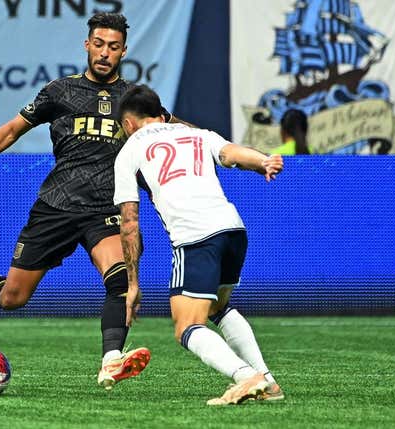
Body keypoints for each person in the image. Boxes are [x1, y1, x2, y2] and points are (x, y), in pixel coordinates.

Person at [0, 13, 190, 390]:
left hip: (106, 209)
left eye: (114, 46)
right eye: (99, 44)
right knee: (14, 298)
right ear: (87, 44)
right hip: (56, 206)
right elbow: (11, 130)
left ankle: (111, 361)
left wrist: (217, 146)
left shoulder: (134, 99)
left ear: (124, 51)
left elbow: (177, 128)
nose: (105, 53)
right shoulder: (59, 92)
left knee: (120, 279)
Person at [114, 85, 285, 405]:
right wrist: (263, 161)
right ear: (160, 114)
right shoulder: (196, 134)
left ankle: (246, 376)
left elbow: (130, 222)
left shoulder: (128, 152)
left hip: (195, 239)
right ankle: (268, 383)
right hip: (233, 230)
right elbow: (231, 153)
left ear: (128, 124)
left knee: (187, 327)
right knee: (218, 307)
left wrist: (133, 282)